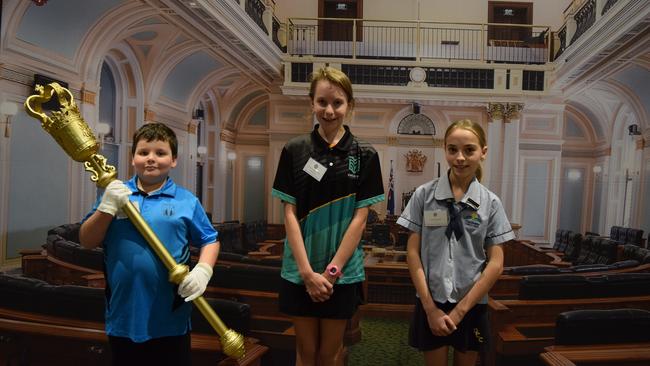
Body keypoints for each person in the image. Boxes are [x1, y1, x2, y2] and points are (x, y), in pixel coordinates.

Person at [79, 122, 219, 365]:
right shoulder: (115, 195)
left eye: (160, 153)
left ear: (174, 160)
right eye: (143, 152)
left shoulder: (187, 201)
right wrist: (107, 207)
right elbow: (87, 240)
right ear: (133, 158)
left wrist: (203, 271)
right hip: (123, 314)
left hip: (169, 317)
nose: (151, 159)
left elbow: (210, 240)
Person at [272, 67, 384, 366]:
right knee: (305, 353)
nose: (329, 110)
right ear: (312, 103)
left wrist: (331, 273)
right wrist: (308, 273)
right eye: (322, 102)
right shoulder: (294, 150)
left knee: (330, 353)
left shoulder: (366, 154)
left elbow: (360, 219)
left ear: (350, 105)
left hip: (342, 273)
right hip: (300, 270)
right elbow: (289, 214)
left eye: (337, 103)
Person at [397, 119, 515, 366]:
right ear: (445, 150)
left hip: (471, 304)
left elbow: (496, 263)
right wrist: (430, 309)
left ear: (483, 152)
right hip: (432, 301)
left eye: (469, 150)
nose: (460, 157)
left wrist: (461, 310)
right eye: (453, 150)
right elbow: (412, 253)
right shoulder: (423, 196)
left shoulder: (491, 203)